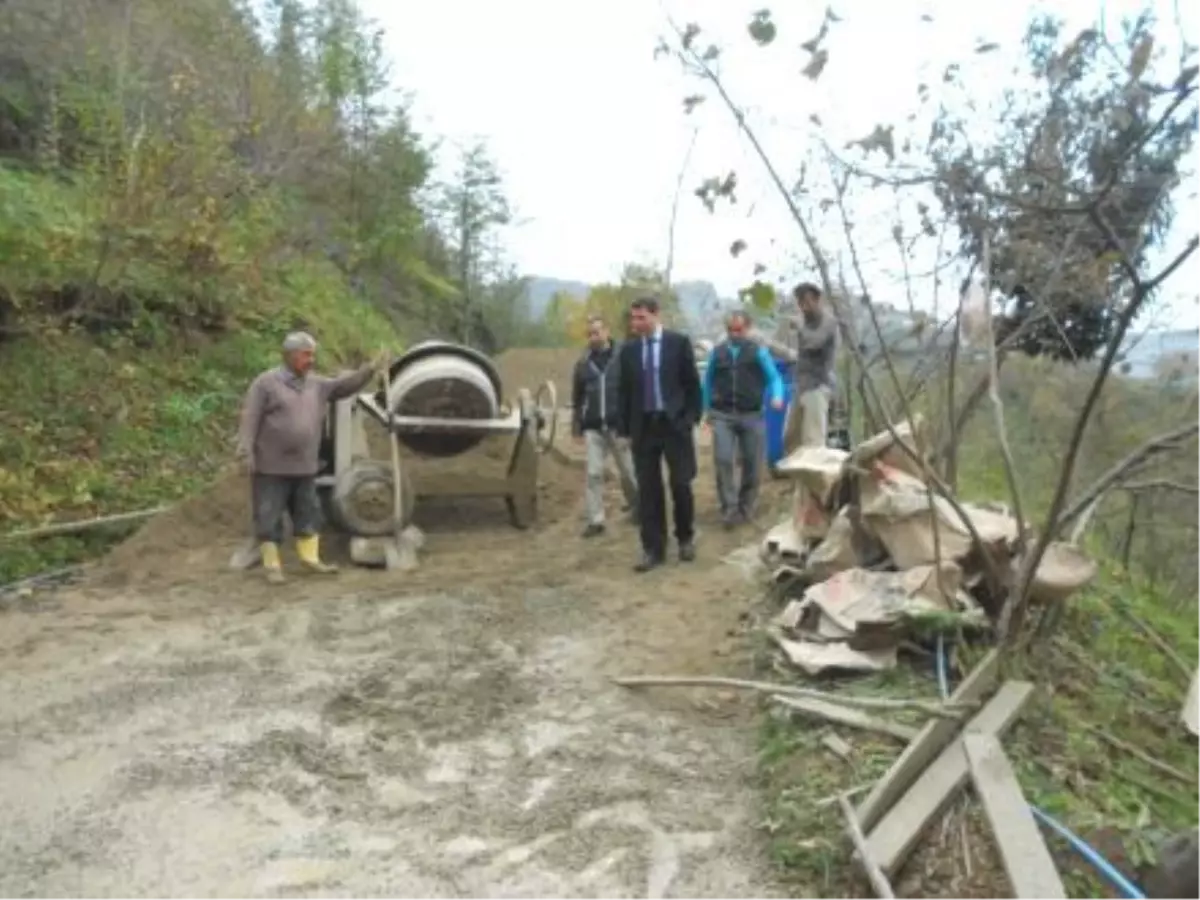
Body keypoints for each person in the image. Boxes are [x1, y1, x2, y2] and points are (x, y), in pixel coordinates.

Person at [236, 332, 388, 584]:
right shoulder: (266, 383)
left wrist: (370, 369)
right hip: (271, 466)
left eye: (312, 355)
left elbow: (344, 386)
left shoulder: (317, 384)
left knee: (308, 513)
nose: (311, 360)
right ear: (289, 356)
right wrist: (245, 451)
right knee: (268, 517)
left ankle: (310, 560)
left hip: (305, 466)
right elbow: (250, 418)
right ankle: (272, 566)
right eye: (306, 355)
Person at [616, 296, 703, 572]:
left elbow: (692, 385)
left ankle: (685, 538)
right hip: (644, 427)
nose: (636, 323)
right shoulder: (629, 351)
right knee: (648, 489)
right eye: (633, 318)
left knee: (681, 484)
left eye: (641, 317)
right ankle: (653, 548)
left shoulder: (678, 343)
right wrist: (624, 429)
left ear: (655, 315)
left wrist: (690, 419)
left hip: (674, 425)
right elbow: (624, 392)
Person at [702, 310, 785, 528]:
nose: (734, 334)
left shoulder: (758, 352)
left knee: (752, 461)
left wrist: (777, 396)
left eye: (739, 330)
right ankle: (729, 508)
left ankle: (746, 506)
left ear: (747, 329)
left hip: (751, 414)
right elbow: (708, 381)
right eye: (730, 330)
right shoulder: (718, 353)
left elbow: (774, 378)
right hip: (723, 414)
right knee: (723, 459)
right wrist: (706, 409)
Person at [571, 316, 635, 538]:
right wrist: (577, 428)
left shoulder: (623, 357)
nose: (593, 337)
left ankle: (638, 507)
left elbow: (632, 391)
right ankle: (595, 520)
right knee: (593, 473)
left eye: (597, 332)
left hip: (619, 425)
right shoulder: (582, 364)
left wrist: (633, 423)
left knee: (628, 472)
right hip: (593, 427)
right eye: (589, 334)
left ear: (607, 332)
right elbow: (577, 398)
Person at [782, 282, 838, 454]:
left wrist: (799, 328)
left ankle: (813, 471)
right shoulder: (804, 321)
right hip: (801, 385)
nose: (804, 307)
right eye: (800, 303)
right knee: (790, 437)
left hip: (818, 385)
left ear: (817, 300)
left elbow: (814, 342)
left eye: (807, 302)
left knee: (813, 441)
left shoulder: (828, 322)